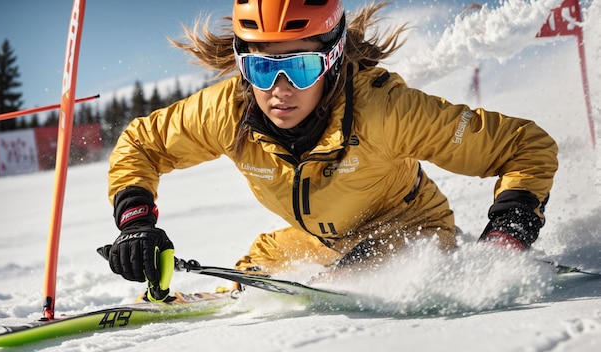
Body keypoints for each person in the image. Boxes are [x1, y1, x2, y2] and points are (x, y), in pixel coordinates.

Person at [106, 0, 558, 301]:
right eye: (261, 67)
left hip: (408, 229)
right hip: (316, 239)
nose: (278, 90)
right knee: (249, 282)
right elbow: (143, 143)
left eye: (300, 67)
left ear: (334, 58)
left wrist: (509, 229)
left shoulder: (384, 110)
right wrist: (136, 222)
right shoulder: (227, 110)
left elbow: (524, 147)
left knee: (336, 283)